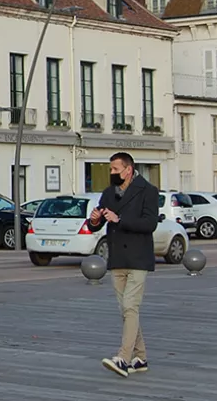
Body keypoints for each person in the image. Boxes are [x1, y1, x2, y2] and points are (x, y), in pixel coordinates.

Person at [86, 151, 158, 377]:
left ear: (128, 169)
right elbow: (96, 225)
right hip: (117, 257)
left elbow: (150, 223)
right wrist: (94, 220)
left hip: (137, 257)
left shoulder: (148, 191)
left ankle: (124, 358)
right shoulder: (108, 193)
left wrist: (121, 220)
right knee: (126, 310)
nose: (112, 173)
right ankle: (141, 357)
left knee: (130, 307)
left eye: (116, 169)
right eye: (110, 170)